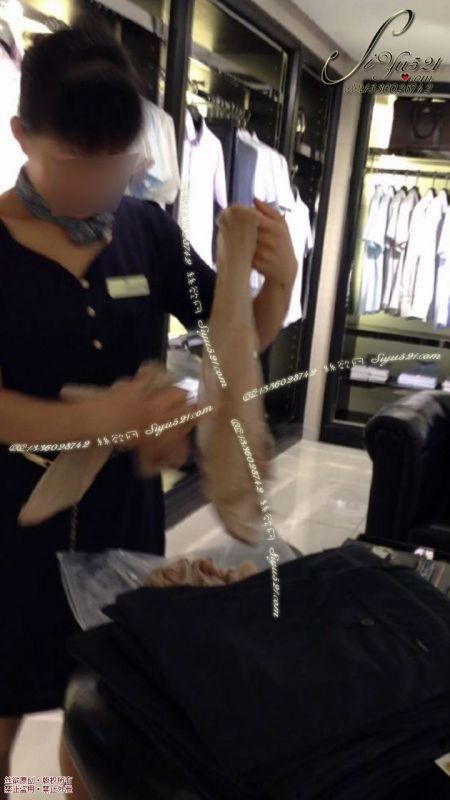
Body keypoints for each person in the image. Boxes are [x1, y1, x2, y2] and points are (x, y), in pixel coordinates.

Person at [0, 16, 297, 800]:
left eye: (118, 165)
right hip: (15, 512)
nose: (101, 186)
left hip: (122, 514)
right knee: (6, 703)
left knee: (106, 705)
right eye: (77, 165)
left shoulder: (148, 230)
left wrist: (278, 281)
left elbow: (233, 343)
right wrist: (106, 417)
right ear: (22, 136)